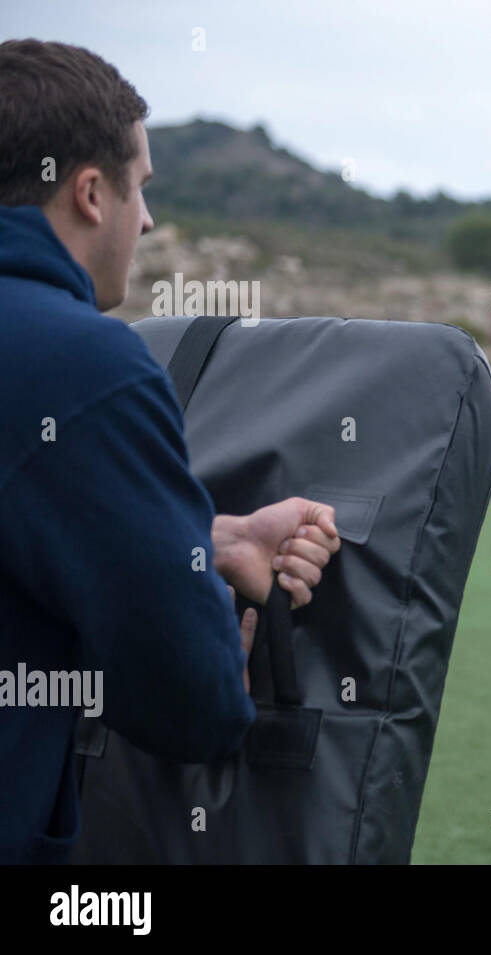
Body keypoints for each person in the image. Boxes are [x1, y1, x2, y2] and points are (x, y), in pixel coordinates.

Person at [0, 39, 341, 864]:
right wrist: (221, 637)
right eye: (140, 188)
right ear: (89, 193)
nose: (146, 220)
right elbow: (191, 701)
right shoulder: (88, 363)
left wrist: (208, 538)